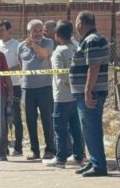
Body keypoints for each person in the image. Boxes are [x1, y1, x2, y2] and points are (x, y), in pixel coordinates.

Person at [71, 11, 110, 177]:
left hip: (92, 92)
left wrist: (87, 91)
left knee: (91, 127)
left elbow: (93, 67)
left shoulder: (92, 40)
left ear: (80, 23)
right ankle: (94, 161)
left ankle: (99, 165)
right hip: (88, 92)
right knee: (88, 128)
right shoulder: (90, 39)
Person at [44, 21, 84, 168]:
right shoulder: (77, 48)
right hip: (77, 95)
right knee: (75, 127)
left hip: (62, 96)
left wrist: (70, 86)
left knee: (60, 128)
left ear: (57, 35)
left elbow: (61, 77)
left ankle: (60, 158)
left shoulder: (59, 52)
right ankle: (79, 156)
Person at [19, 19, 57, 160]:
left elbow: (44, 54)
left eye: (40, 30)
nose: (38, 33)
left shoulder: (48, 42)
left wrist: (34, 45)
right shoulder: (21, 46)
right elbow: (21, 63)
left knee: (47, 119)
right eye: (34, 30)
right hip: (28, 88)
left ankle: (50, 149)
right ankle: (35, 150)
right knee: (30, 120)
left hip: (45, 87)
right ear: (29, 31)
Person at [0, 20, 24, 155]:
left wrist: (6, 70)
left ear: (9, 30)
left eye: (2, 30)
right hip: (0, 87)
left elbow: (21, 65)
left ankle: (18, 147)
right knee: (2, 118)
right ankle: (4, 147)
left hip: (14, 85)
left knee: (15, 116)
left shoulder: (17, 45)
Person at [0, 35, 12, 162]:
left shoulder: (0, 56)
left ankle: (2, 151)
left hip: (0, 93)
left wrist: (10, 95)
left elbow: (7, 76)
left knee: (2, 122)